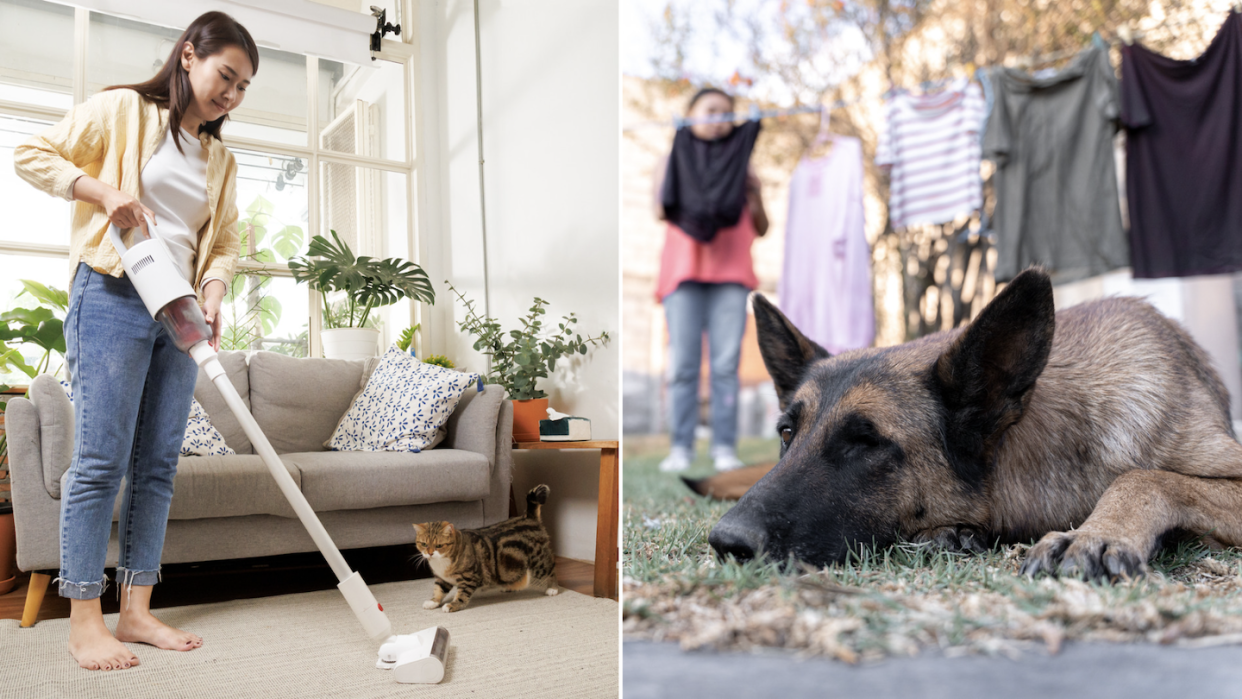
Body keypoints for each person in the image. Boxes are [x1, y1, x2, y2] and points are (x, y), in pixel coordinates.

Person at [13, 11, 255, 672]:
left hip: (178, 314)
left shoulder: (221, 158)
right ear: (187, 57)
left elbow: (225, 239)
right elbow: (30, 153)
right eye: (224, 76)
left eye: (242, 88)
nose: (229, 95)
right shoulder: (124, 110)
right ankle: (84, 618)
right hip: (114, 293)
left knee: (156, 465)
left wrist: (212, 288)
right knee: (100, 459)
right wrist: (102, 191)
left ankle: (137, 608)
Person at [652, 87, 768, 473]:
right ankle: (681, 447)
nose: (720, 119)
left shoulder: (744, 167)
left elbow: (762, 226)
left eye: (727, 114)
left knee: (725, 366)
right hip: (683, 274)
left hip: (731, 276)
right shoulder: (671, 159)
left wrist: (751, 191)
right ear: (690, 115)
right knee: (683, 366)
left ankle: (723, 447)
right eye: (711, 110)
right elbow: (660, 209)